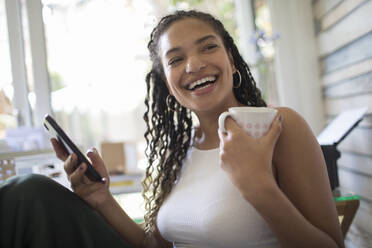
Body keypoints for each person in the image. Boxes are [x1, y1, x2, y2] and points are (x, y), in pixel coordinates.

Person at [0, 10, 344, 248]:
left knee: (28, 193)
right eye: (176, 59)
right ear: (167, 82)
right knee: (28, 197)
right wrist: (100, 199)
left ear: (232, 59)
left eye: (208, 47)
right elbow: (156, 244)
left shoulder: (279, 127)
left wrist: (257, 185)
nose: (194, 64)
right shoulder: (179, 150)